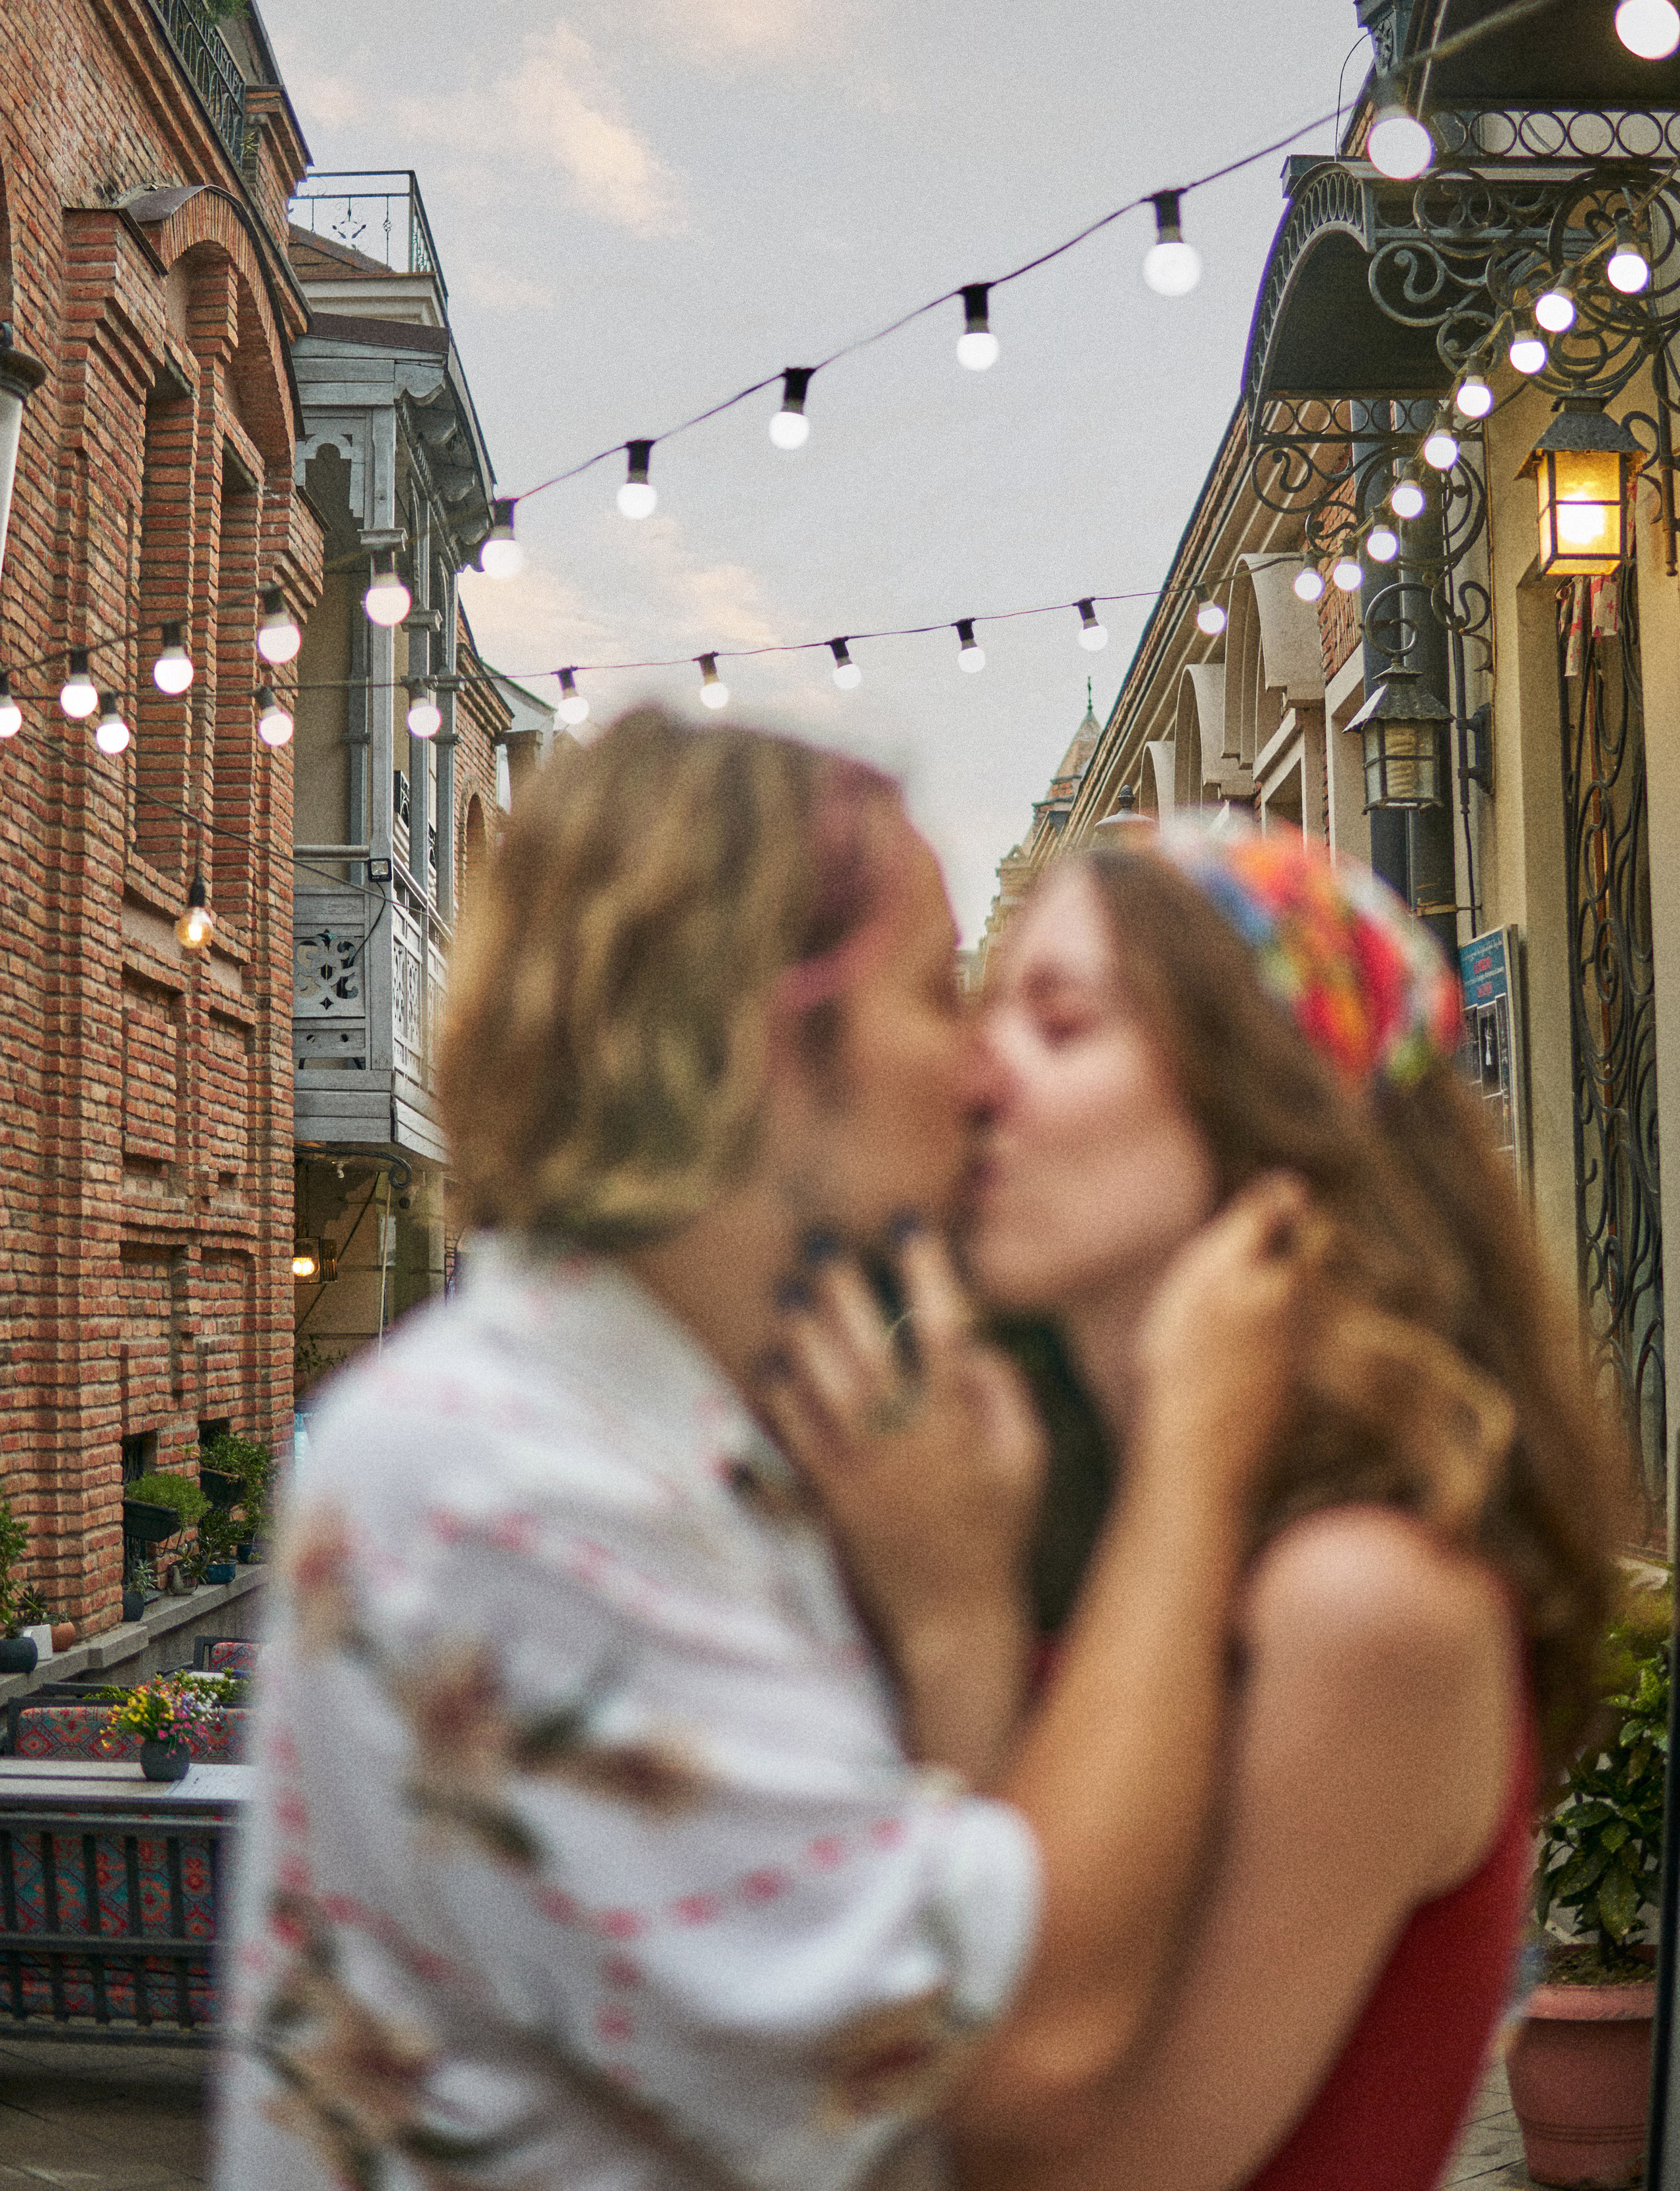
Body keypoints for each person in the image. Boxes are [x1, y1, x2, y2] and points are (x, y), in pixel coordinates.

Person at [214, 714, 1316, 2191]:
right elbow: (1019, 2051)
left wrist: (960, 1617)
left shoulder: (696, 1427)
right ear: (759, 1041)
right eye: (939, 996)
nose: (983, 1072)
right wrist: (1195, 1457)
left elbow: (908, 1983)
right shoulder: (501, 1478)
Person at [769, 827, 1621, 2191]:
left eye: (1060, 1025)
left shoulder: (1362, 1595)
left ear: (1262, 1103)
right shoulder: (1093, 1513)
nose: (981, 1074)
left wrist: (953, 1626)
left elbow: (1039, 2155)